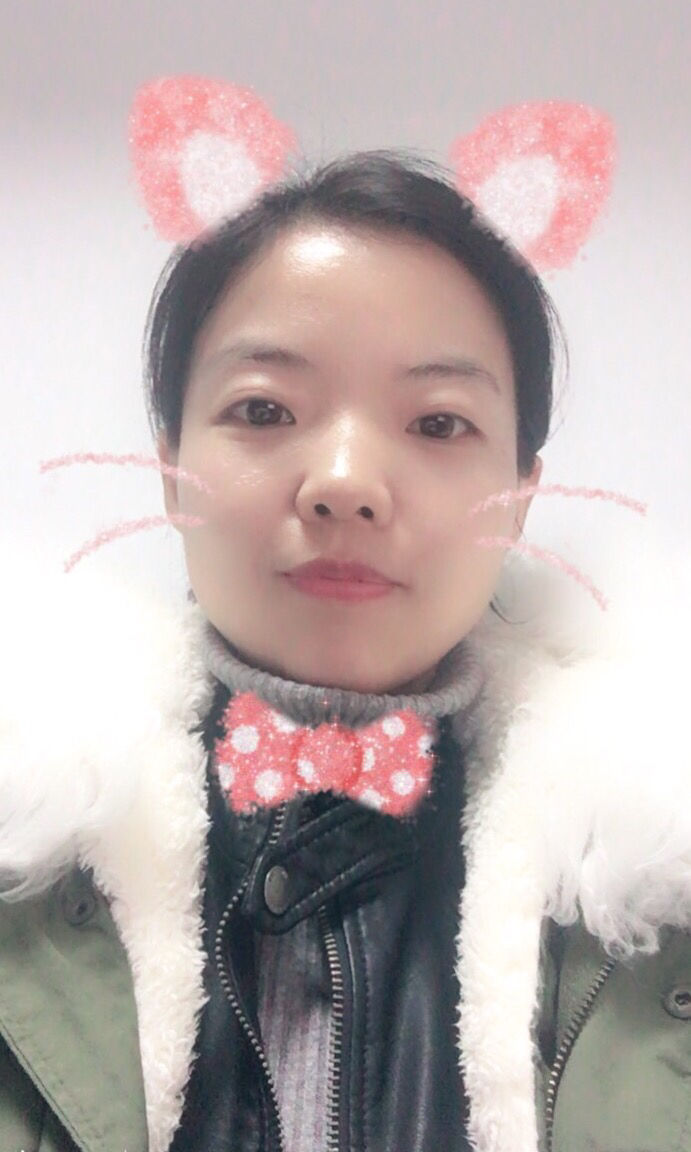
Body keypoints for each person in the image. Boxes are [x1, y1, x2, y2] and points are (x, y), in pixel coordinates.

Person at [0, 150, 688, 1152]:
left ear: (520, 496)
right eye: (264, 410)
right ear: (171, 468)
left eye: (438, 423)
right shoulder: (23, 836)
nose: (344, 481)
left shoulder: (652, 881)